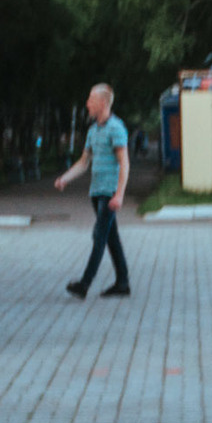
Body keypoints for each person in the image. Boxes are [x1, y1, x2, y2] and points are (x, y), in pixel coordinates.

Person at [55, 83, 132, 299]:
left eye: (91, 99)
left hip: (109, 193)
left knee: (100, 236)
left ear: (103, 103)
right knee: (111, 237)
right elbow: (84, 162)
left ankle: (84, 284)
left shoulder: (116, 128)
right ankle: (123, 282)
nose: (87, 103)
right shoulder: (93, 130)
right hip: (96, 192)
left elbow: (124, 163)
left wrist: (119, 194)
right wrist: (65, 178)